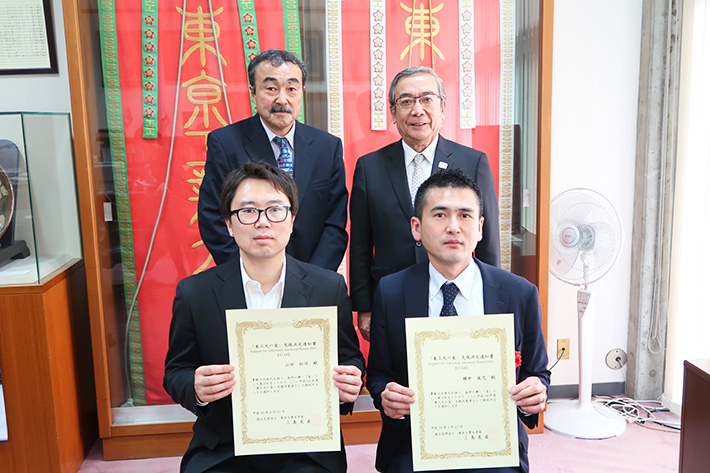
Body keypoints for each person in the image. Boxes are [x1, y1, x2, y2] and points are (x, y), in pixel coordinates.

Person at [165, 162, 364, 473]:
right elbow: (176, 369)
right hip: (225, 445)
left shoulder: (328, 287)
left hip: (306, 445)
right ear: (229, 224)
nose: (262, 222)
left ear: (292, 220)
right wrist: (195, 387)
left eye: (275, 210)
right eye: (247, 211)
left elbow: (350, 357)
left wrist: (350, 379)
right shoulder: (195, 293)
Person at [366, 168, 549, 473]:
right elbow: (378, 375)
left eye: (465, 216)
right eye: (440, 215)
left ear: (479, 228)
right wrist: (386, 397)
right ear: (416, 227)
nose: (453, 227)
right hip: (414, 445)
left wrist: (536, 392)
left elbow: (537, 373)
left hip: (492, 444)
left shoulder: (519, 293)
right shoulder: (392, 291)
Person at [350, 67, 500, 341]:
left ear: (443, 108)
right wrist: (364, 307)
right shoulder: (369, 167)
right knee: (398, 375)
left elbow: (487, 238)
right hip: (392, 295)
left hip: (455, 295)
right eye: (406, 101)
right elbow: (360, 243)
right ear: (393, 113)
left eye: (427, 99)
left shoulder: (473, 162)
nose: (417, 110)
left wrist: (493, 298)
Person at [198, 48, 348, 271]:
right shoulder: (225, 143)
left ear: (302, 91)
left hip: (312, 279)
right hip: (249, 279)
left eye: (291, 89)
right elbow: (213, 216)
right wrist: (247, 273)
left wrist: (315, 278)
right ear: (253, 92)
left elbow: (335, 223)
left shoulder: (327, 147)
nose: (282, 99)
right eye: (270, 88)